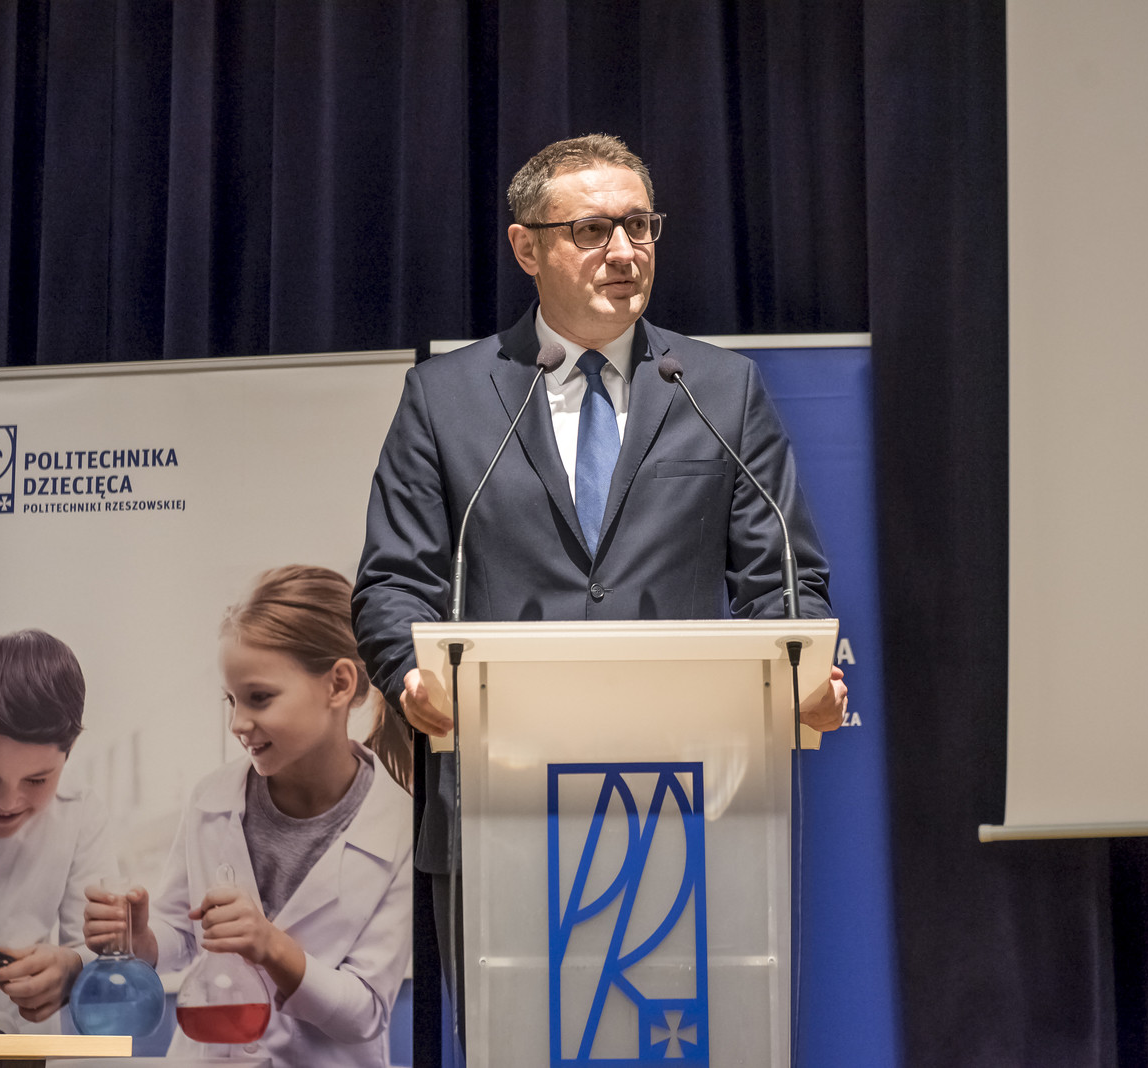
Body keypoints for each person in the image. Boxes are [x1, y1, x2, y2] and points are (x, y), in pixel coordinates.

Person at [352, 133, 850, 997]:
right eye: (592, 230)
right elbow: (395, 580)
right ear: (527, 248)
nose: (625, 251)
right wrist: (407, 676)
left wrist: (806, 672)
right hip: (500, 800)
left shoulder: (718, 389)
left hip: (691, 802)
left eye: (640, 226)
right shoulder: (446, 397)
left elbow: (784, 579)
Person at [84, 566, 413, 1068]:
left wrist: (271, 946)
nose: (238, 723)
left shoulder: (398, 827)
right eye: (231, 700)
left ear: (339, 684)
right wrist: (142, 939)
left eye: (259, 698)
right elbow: (183, 936)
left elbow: (365, 1014)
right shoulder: (210, 800)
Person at [0, 628, 118, 1026]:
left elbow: (102, 950)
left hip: (21, 1040)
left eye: (36, 780)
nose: (7, 802)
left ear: (69, 754)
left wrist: (73, 968)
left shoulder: (81, 812)